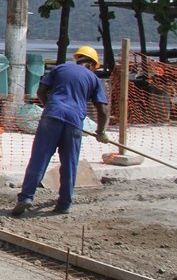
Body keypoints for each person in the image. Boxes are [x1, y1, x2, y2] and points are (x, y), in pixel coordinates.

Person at [11, 46, 109, 217]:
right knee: (70, 163)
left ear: (78, 59)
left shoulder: (60, 68)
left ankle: (26, 197)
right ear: (93, 65)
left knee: (39, 158)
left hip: (52, 115)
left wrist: (49, 107)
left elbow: (40, 91)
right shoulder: (93, 79)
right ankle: (64, 203)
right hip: (74, 122)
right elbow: (103, 110)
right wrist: (101, 131)